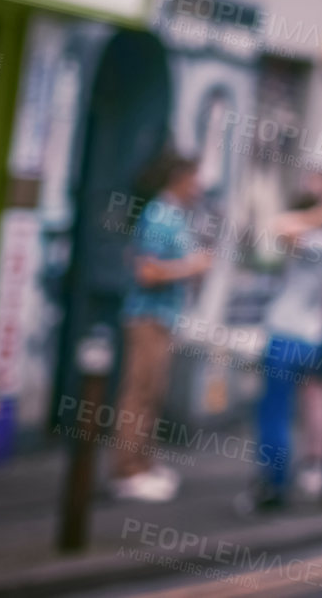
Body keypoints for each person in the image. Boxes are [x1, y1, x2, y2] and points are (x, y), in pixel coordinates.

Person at [238, 172, 322, 513]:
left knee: (275, 415)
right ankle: (315, 468)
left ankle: (274, 484)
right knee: (311, 405)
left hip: (286, 336)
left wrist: (317, 216)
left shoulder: (308, 238)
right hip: (313, 336)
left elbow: (277, 226)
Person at [114, 152, 210, 502]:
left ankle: (144, 463)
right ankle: (128, 471)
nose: (199, 186)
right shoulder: (160, 216)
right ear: (180, 179)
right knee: (139, 394)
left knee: (153, 393)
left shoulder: (175, 216)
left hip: (163, 319)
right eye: (195, 178)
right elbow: (147, 271)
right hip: (148, 318)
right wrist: (192, 267)